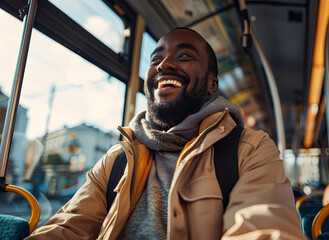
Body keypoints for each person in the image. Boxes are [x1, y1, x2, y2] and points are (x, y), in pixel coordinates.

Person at [27, 28, 306, 240]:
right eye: (156, 58)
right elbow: (69, 226)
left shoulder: (249, 149)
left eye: (183, 56)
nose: (163, 65)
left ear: (212, 85)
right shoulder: (119, 157)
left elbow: (263, 229)